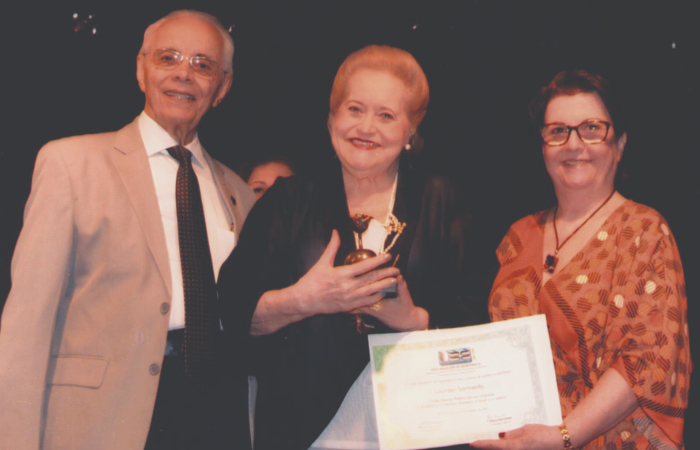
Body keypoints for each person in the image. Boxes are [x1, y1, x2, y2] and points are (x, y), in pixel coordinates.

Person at [0, 10, 255, 450]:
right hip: (103, 423)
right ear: (141, 70)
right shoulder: (71, 165)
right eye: (168, 58)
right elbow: (25, 329)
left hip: (218, 414)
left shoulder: (239, 193)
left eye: (202, 64)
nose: (183, 74)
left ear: (223, 87)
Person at [219, 44, 487, 450]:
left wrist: (414, 318)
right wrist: (304, 300)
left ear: (411, 131)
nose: (367, 127)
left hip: (417, 428)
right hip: (303, 428)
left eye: (386, 115)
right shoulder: (287, 200)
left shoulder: (443, 200)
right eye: (355, 109)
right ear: (331, 121)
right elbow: (233, 315)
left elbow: (479, 323)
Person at [471, 70, 691, 450]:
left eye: (592, 128)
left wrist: (563, 436)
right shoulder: (519, 235)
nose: (573, 144)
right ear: (543, 147)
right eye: (557, 131)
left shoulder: (644, 230)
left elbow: (646, 361)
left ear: (619, 144)